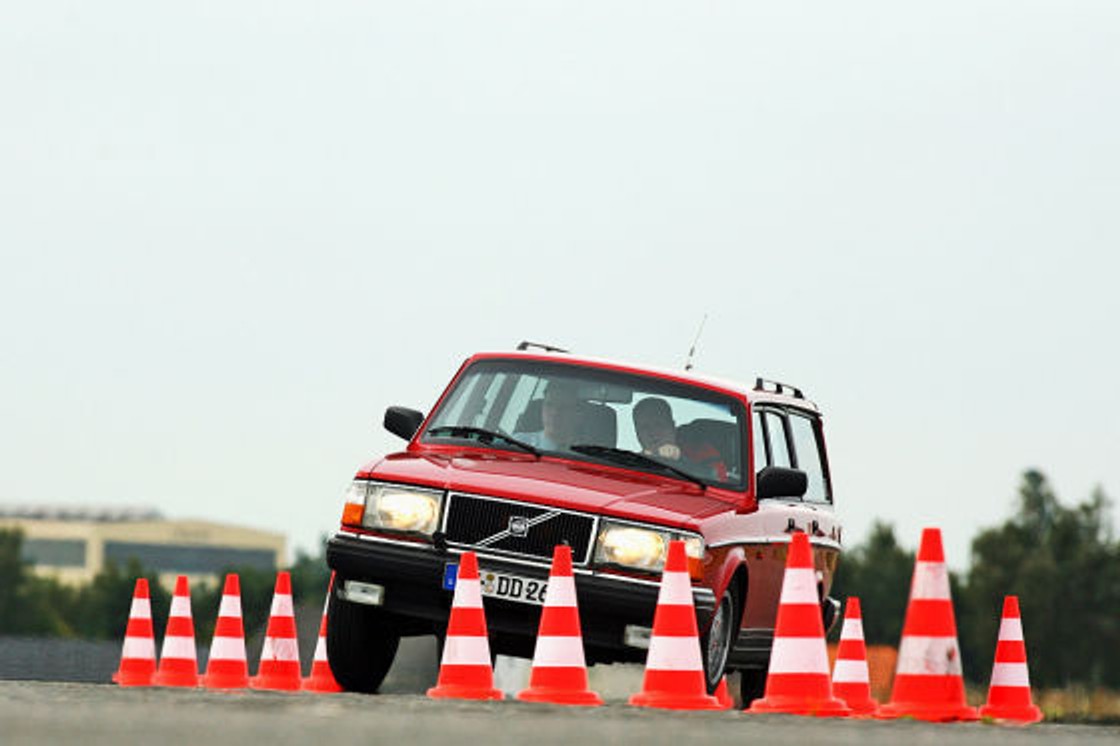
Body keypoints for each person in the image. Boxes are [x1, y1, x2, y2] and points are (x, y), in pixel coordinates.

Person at [632, 397, 728, 480]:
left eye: (659, 425)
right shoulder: (630, 463)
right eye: (645, 427)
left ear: (672, 427)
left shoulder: (703, 452)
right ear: (637, 433)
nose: (652, 433)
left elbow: (719, 485)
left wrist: (680, 460)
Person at [514, 380, 581, 451]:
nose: (555, 413)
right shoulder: (518, 443)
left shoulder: (587, 455)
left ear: (576, 414)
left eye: (564, 407)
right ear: (542, 408)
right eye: (549, 405)